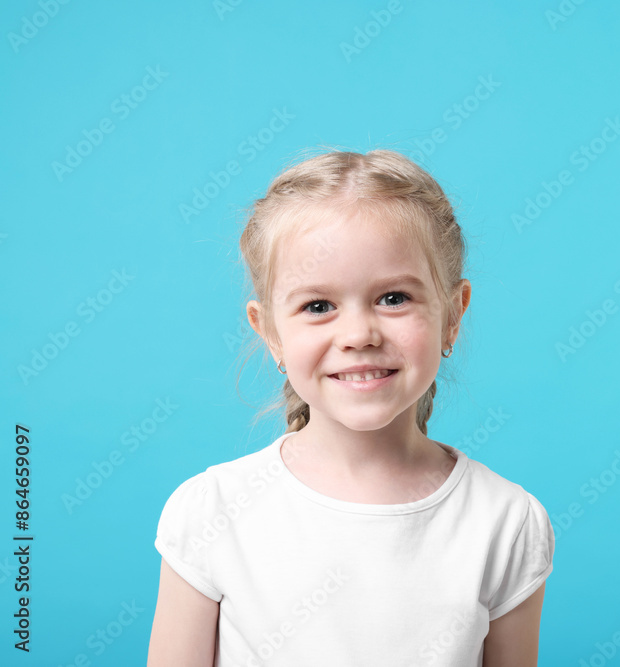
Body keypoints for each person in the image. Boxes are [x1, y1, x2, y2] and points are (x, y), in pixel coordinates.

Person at [147, 148, 555, 666]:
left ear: (453, 315)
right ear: (270, 331)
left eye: (394, 298)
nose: (359, 334)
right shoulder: (211, 513)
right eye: (318, 306)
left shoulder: (505, 522)